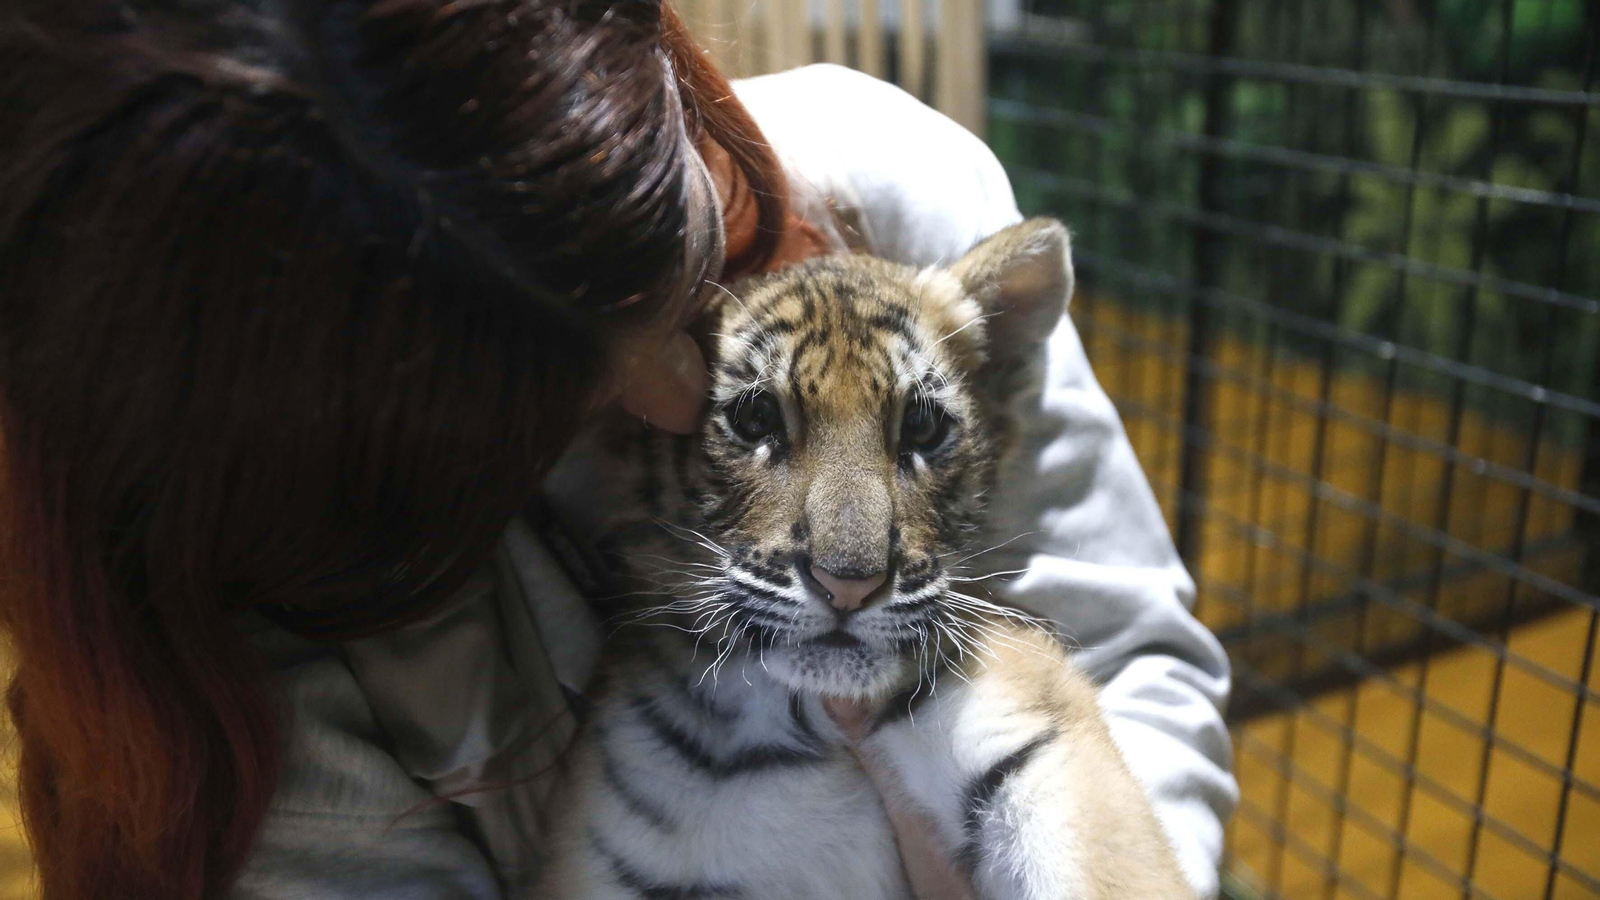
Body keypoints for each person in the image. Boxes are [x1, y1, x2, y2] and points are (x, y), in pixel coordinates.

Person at [0, 1, 1236, 898]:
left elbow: (1130, 660)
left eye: (686, 253)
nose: (674, 388)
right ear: (352, 445)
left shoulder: (892, 214)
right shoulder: (282, 696)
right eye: (559, 378)